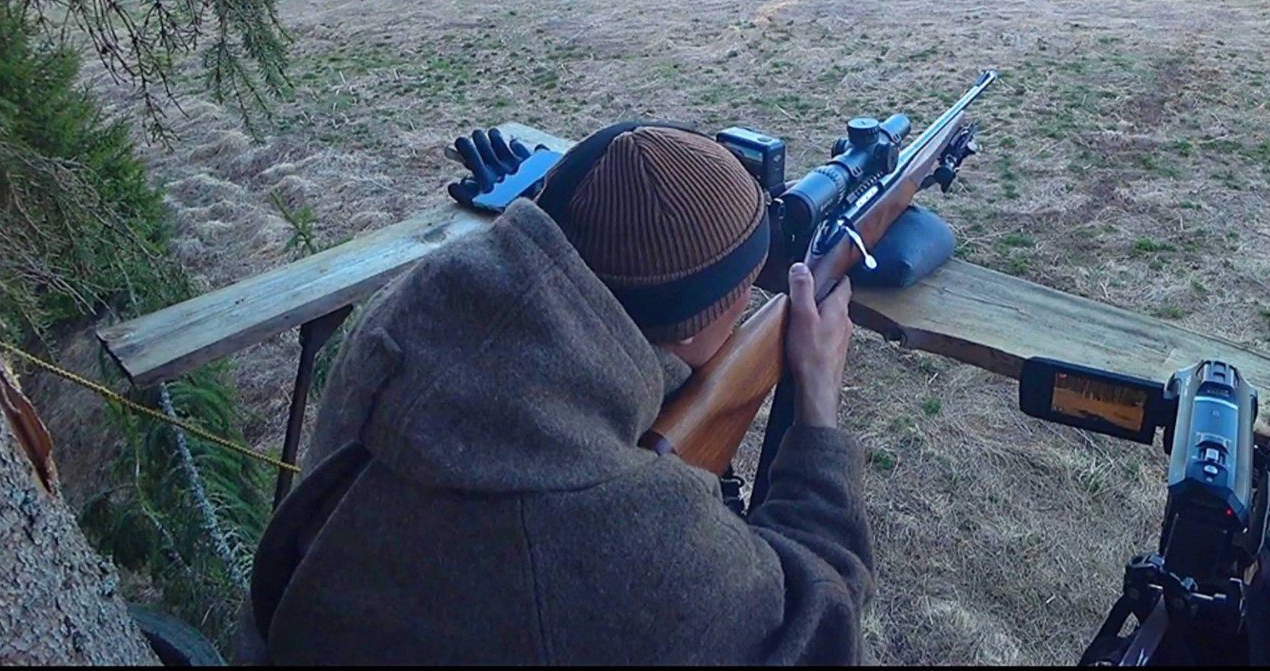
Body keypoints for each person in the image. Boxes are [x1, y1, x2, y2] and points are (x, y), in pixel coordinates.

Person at [236, 124, 871, 665]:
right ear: (710, 324)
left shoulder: (404, 325)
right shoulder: (627, 536)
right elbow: (821, 631)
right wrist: (817, 410)